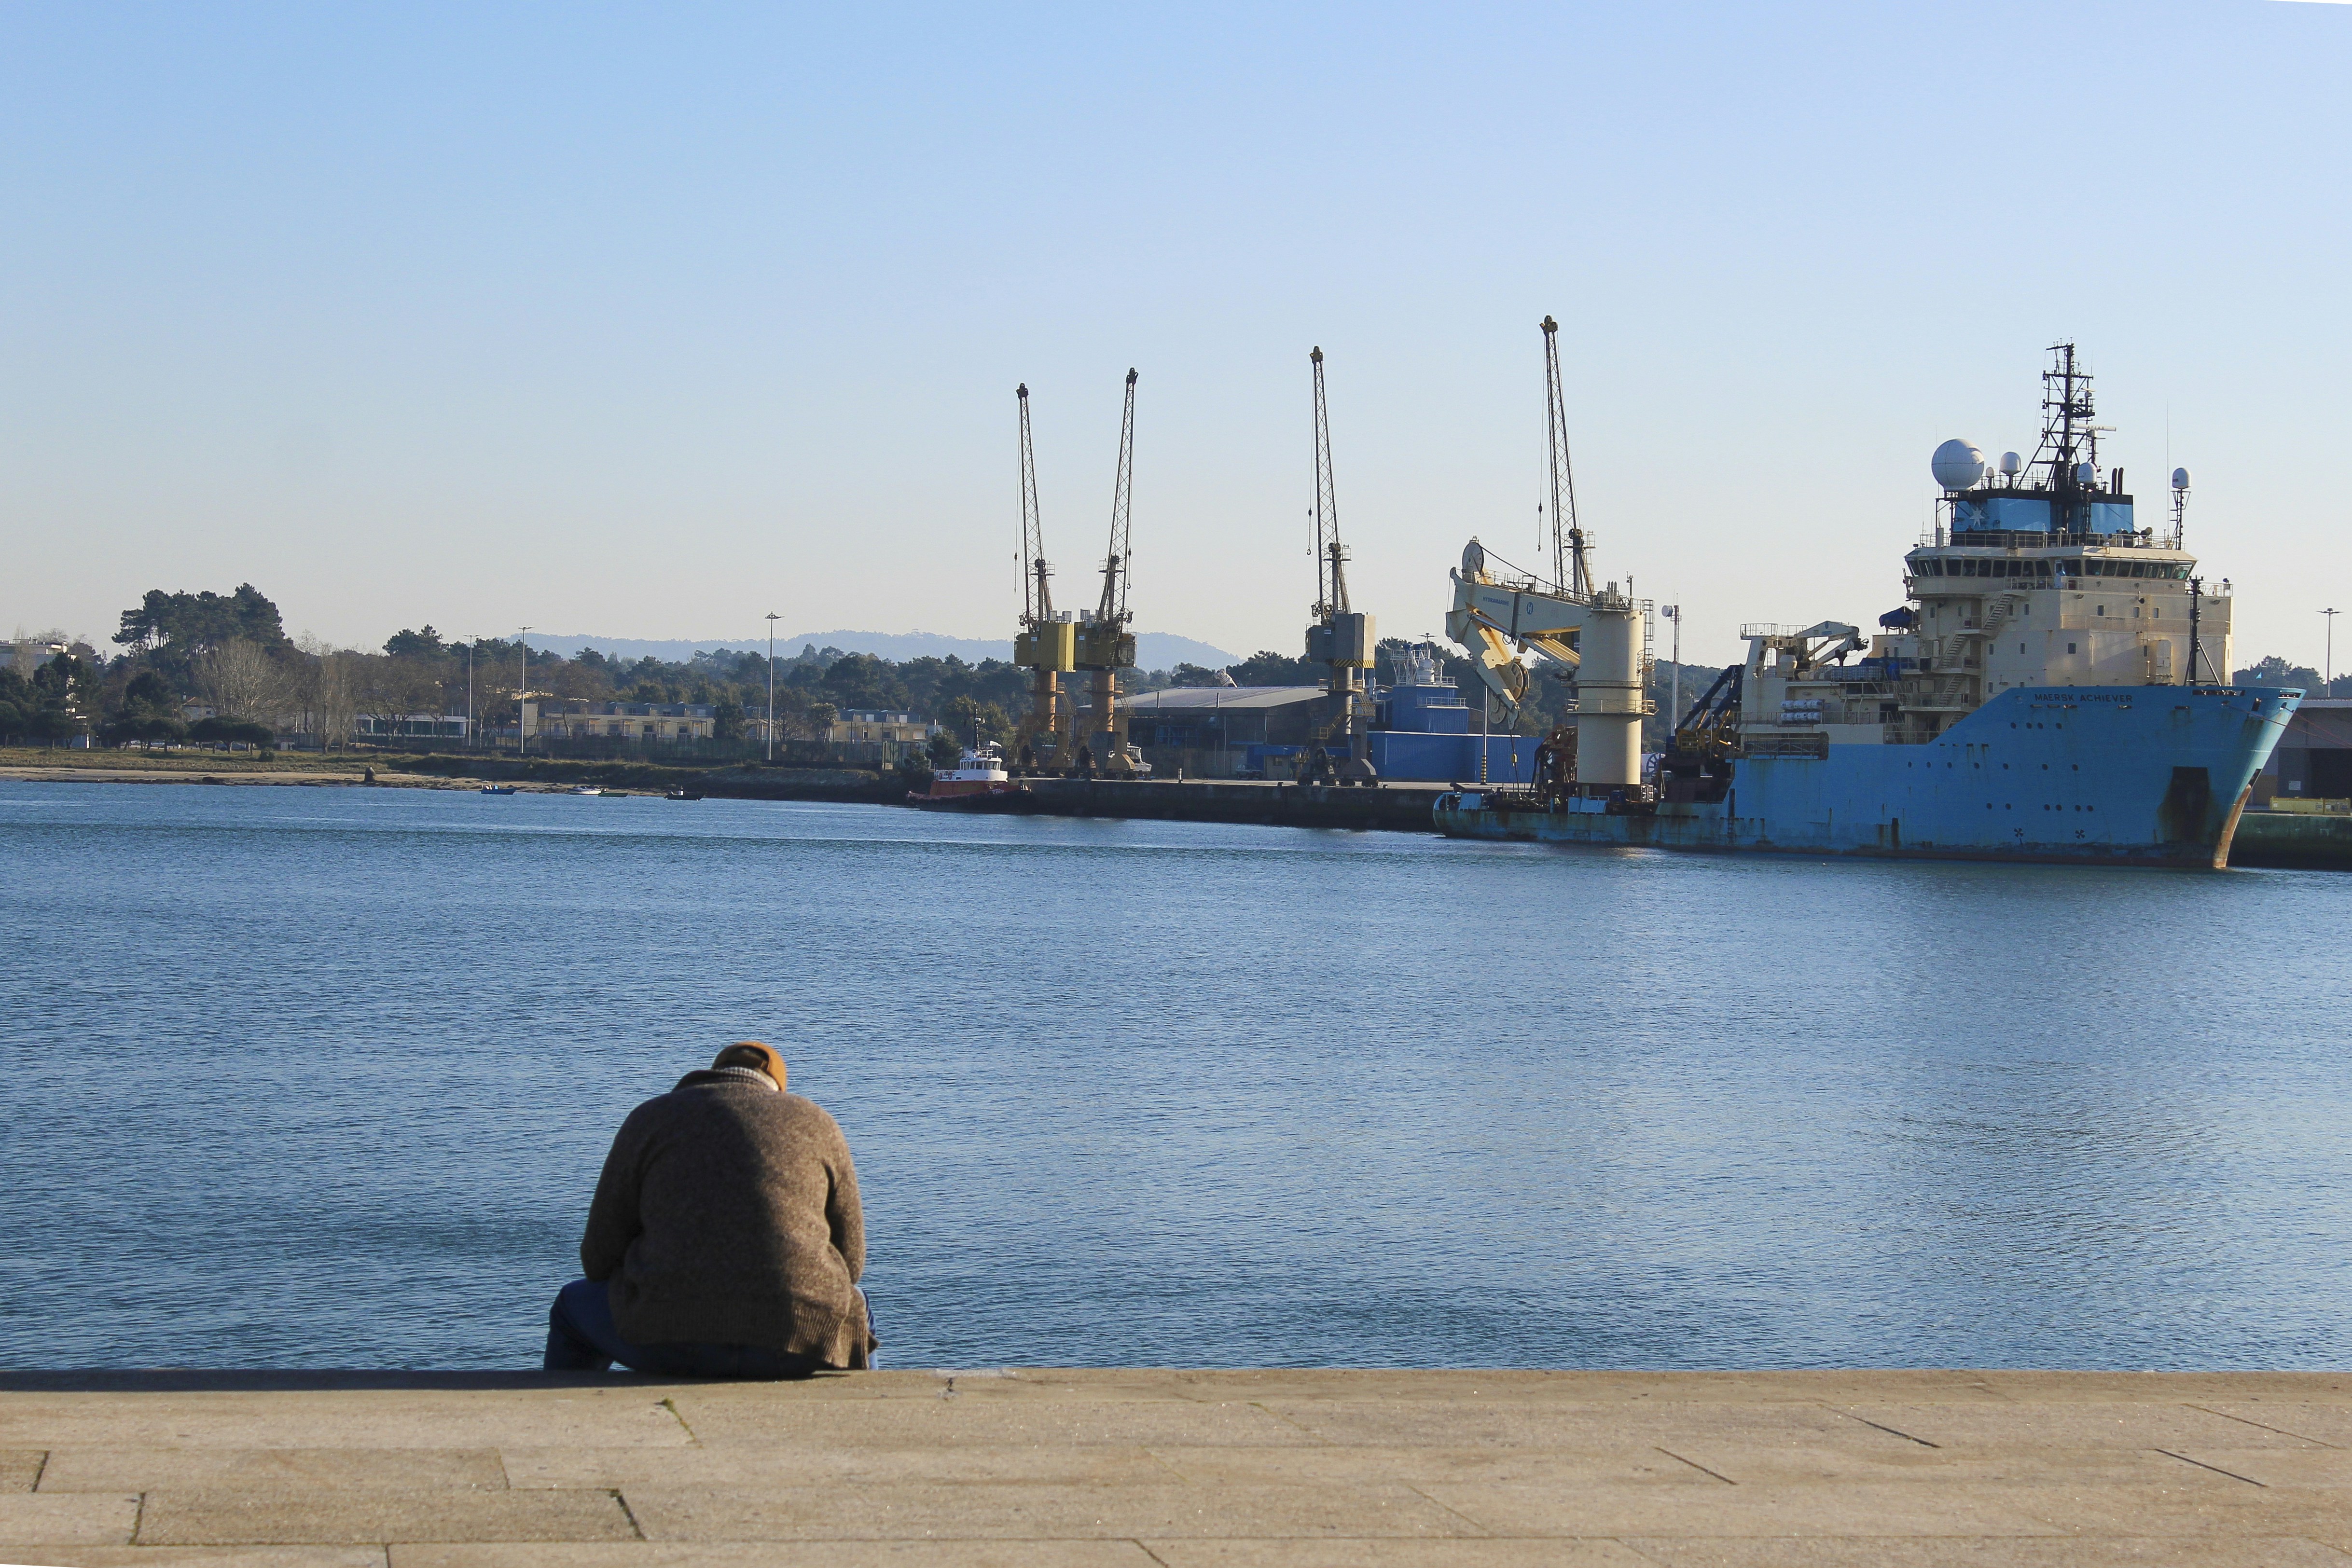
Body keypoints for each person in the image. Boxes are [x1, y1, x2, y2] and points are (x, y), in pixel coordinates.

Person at [544, 1041, 878, 1376]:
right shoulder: (819, 1124)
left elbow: (598, 1259)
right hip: (797, 1342)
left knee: (570, 1308)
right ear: (778, 1091)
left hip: (668, 1340)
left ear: (710, 1077)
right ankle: (869, 1410)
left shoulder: (650, 1118)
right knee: (857, 1302)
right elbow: (852, 1264)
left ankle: (564, 1410)